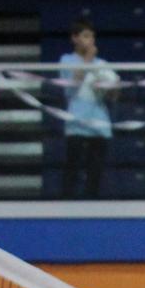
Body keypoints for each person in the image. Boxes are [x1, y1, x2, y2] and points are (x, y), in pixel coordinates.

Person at [58, 16, 119, 199]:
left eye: (91, 37)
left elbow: (115, 95)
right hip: (76, 123)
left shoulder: (102, 65)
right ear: (74, 38)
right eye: (85, 36)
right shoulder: (66, 60)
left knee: (95, 172)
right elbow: (71, 85)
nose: (89, 40)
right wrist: (87, 60)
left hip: (99, 125)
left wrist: (108, 88)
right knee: (72, 169)